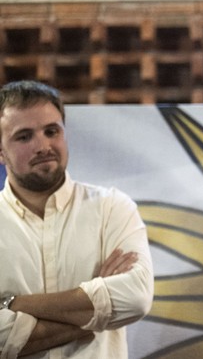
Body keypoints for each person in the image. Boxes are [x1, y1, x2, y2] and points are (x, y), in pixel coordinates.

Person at [0, 81, 154, 358]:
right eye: (24, 137)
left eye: (51, 131)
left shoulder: (112, 208)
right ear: (1, 151)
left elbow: (135, 298)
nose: (43, 145)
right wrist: (95, 312)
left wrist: (14, 304)